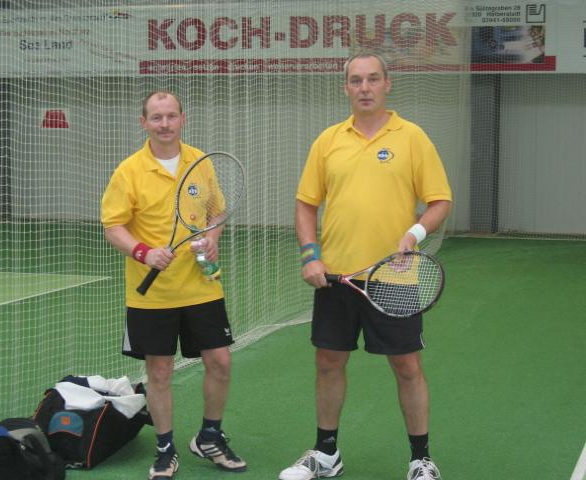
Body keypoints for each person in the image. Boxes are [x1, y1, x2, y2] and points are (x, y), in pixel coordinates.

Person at [279, 53, 452, 480]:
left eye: (373, 79)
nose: (365, 87)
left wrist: (413, 235)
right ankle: (326, 455)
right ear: (346, 88)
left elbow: (440, 201)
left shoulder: (412, 137)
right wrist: (310, 255)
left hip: (394, 276)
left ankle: (421, 460)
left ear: (387, 84)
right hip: (336, 278)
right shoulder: (328, 140)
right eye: (356, 80)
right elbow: (305, 204)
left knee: (407, 367)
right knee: (328, 362)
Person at [101, 90, 246, 479]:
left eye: (171, 116)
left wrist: (212, 238)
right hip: (153, 295)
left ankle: (210, 436)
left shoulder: (201, 162)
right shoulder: (129, 171)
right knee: (160, 371)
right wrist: (144, 252)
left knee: (221, 361)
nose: (164, 124)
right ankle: (165, 448)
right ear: (143, 123)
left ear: (183, 118)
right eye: (156, 117)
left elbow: (215, 212)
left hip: (202, 286)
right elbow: (113, 225)